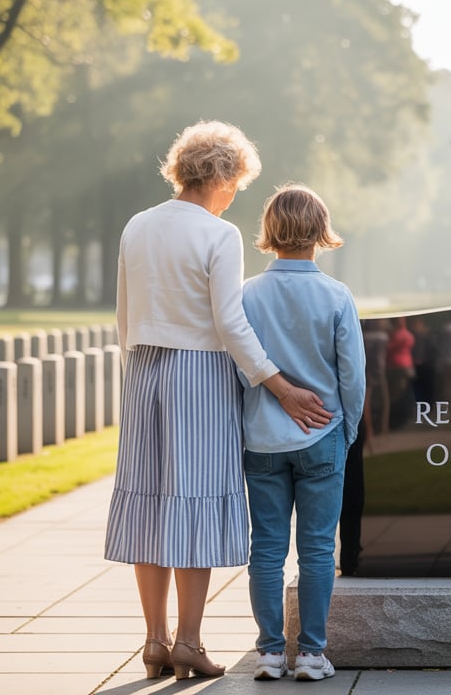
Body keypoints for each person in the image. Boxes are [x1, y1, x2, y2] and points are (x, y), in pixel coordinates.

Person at [104, 121, 332, 681]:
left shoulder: (137, 225)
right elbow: (230, 322)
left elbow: (122, 314)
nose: (236, 195)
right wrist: (279, 385)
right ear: (223, 174)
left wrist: (138, 368)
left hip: (143, 370)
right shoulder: (218, 233)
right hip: (199, 373)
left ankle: (154, 641)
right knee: (196, 501)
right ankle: (189, 640)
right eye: (237, 183)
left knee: (149, 502)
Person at [238, 184, 365, 682]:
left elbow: (238, 366)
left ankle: (269, 651)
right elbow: (351, 374)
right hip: (322, 434)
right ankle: (311, 653)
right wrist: (348, 429)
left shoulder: (245, 294)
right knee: (316, 549)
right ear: (320, 232)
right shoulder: (335, 295)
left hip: (263, 440)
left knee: (266, 547)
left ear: (271, 230)